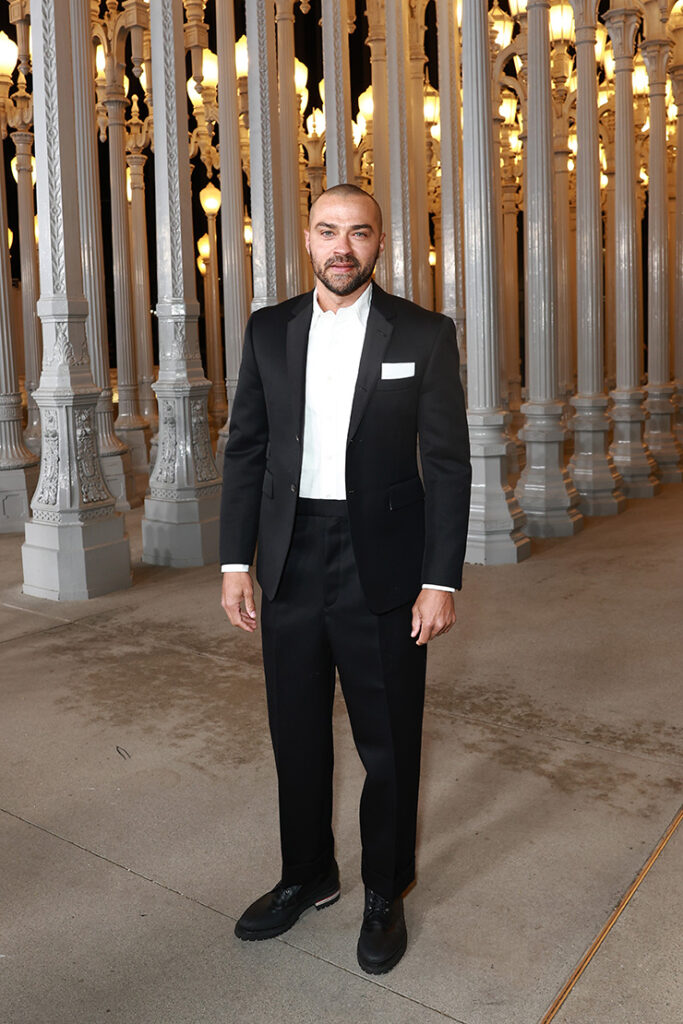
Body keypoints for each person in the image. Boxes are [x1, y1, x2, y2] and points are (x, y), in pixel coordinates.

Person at [220, 183, 471, 974]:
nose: (341, 247)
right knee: (294, 732)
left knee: (387, 742)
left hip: (385, 565)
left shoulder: (424, 334)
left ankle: (383, 890)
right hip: (289, 557)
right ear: (305, 238)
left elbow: (449, 464)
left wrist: (441, 580)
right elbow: (246, 452)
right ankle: (307, 875)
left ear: (380, 242)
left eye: (358, 233)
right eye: (328, 231)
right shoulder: (268, 331)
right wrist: (235, 564)